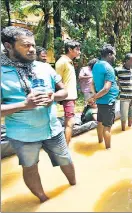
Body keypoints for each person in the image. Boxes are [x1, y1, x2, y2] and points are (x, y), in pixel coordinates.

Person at [1, 26, 76, 203]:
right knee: (30, 167)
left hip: (52, 129)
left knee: (65, 159)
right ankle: (43, 199)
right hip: (23, 135)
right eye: (26, 45)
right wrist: (24, 105)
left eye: (33, 45)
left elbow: (64, 92)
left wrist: (53, 97)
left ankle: (74, 186)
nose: (32, 49)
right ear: (8, 46)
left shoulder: (45, 68)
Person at [88, 44, 119, 149]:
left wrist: (94, 95)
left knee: (100, 122)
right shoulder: (108, 68)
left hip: (101, 103)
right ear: (109, 54)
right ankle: (108, 149)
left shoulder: (96, 65)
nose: (115, 57)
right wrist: (95, 97)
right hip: (108, 102)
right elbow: (106, 88)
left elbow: (91, 83)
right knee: (107, 127)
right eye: (114, 55)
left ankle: (100, 142)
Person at [55, 39, 81, 145]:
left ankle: (67, 144)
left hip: (71, 96)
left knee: (69, 121)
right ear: (70, 49)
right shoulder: (62, 62)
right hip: (67, 96)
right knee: (70, 122)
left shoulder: (69, 62)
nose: (79, 52)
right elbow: (57, 80)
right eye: (77, 49)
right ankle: (66, 148)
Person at [115, 53, 132, 131]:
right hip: (124, 97)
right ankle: (123, 130)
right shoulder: (118, 70)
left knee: (131, 116)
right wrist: (117, 84)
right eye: (131, 61)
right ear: (126, 61)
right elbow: (111, 78)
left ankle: (128, 129)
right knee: (123, 116)